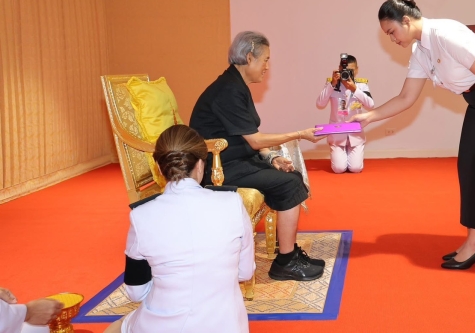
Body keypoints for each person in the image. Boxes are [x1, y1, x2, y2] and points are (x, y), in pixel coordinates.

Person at [351, 0, 475, 270]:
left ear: (406, 20)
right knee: (469, 165)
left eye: (391, 32)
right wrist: (370, 116)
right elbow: (406, 97)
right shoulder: (420, 51)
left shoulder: (445, 33)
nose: (392, 39)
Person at [190, 31, 326, 282]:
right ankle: (285, 263)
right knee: (290, 183)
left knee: (290, 176)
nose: (267, 66)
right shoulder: (228, 90)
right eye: (265, 60)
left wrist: (271, 158)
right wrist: (300, 134)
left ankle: (288, 252)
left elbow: (245, 135)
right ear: (249, 57)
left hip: (235, 160)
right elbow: (254, 139)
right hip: (218, 167)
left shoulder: (236, 85)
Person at [104, 124, 255, 333]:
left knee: (118, 326)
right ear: (200, 165)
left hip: (161, 326)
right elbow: (245, 272)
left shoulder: (141, 215)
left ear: (159, 168)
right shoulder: (232, 202)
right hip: (226, 326)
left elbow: (136, 292)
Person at [316, 55, 374, 173]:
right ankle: (340, 154)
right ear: (339, 69)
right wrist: (332, 84)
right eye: (345, 70)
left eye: (351, 70)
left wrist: (355, 89)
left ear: (356, 70)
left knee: (355, 168)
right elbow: (320, 104)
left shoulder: (361, 85)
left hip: (355, 133)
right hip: (337, 133)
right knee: (338, 169)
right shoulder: (331, 84)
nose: (348, 73)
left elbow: (370, 105)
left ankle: (350, 154)